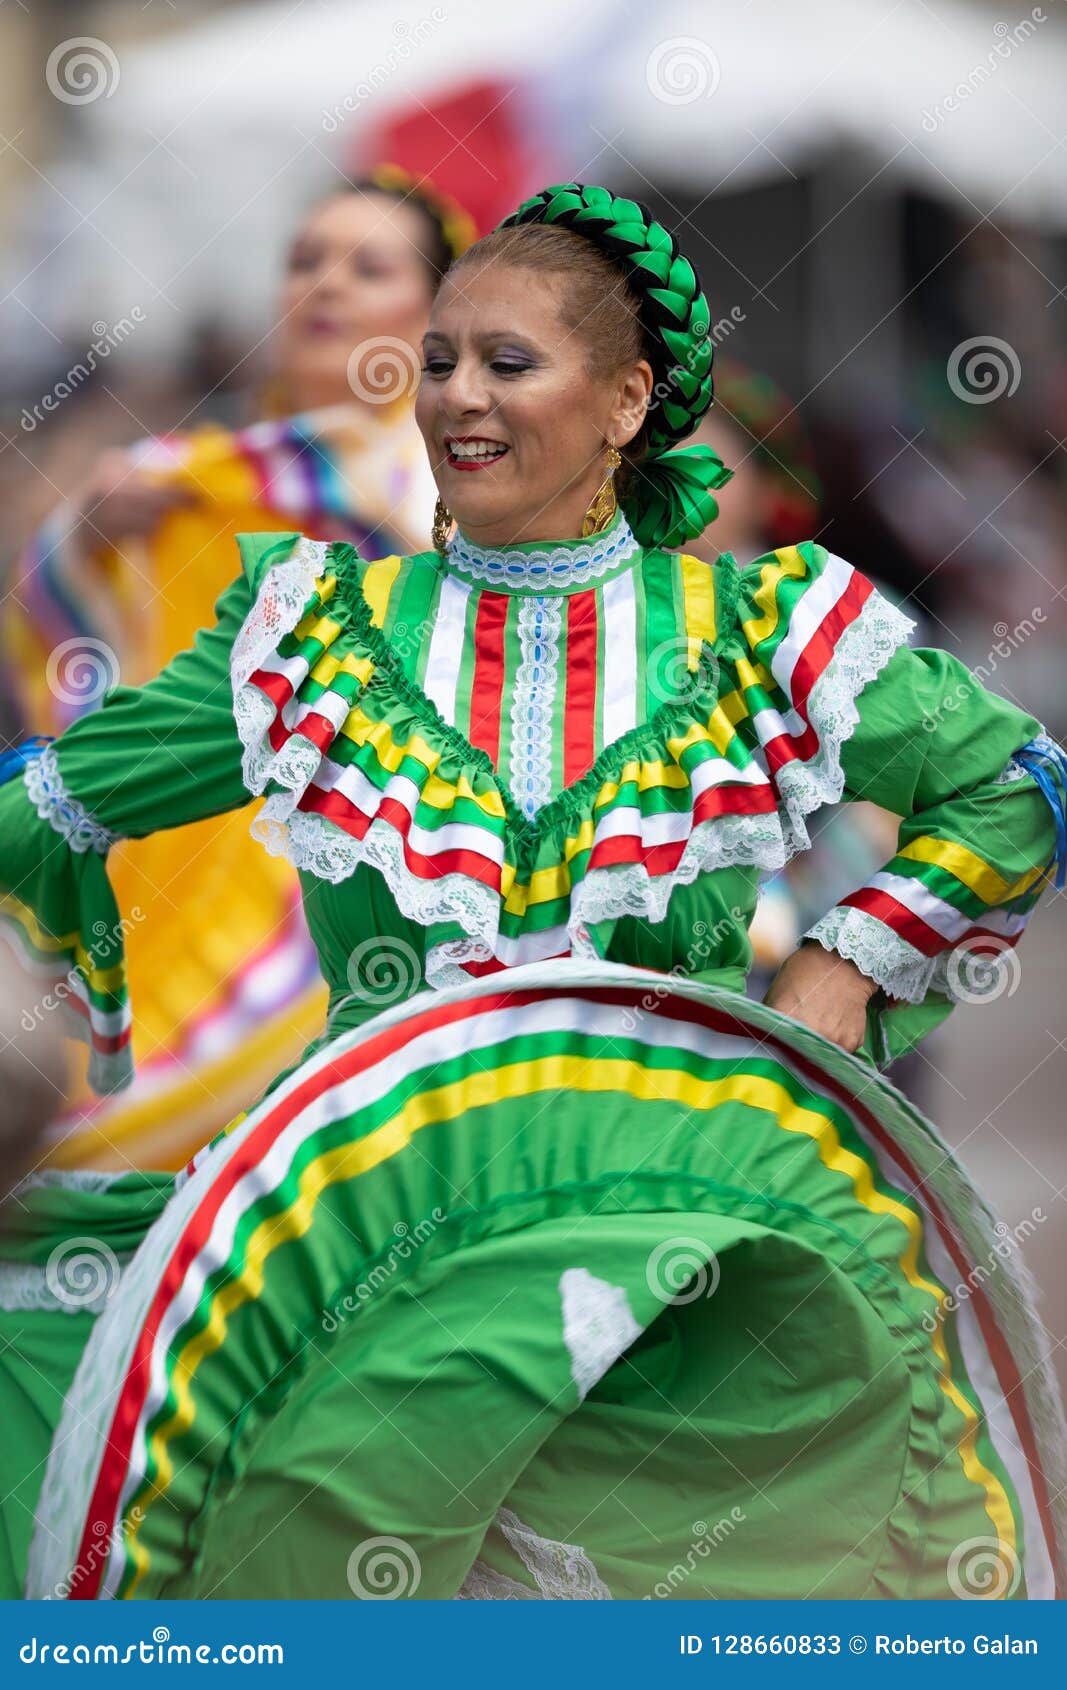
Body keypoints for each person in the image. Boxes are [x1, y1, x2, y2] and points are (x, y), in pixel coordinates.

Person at [0, 182, 1065, 1602]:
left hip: (688, 1215)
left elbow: (1011, 779)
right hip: (369, 1222)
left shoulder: (756, 629)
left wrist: (841, 969)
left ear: (625, 401)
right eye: (437, 361)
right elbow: (51, 801)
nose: (456, 399)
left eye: (508, 363)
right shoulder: (313, 636)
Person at [0, 166, 475, 1172]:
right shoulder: (191, 477)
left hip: (342, 879)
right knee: (70, 1113)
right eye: (304, 262)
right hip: (163, 847)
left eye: (367, 265)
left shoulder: (465, 481)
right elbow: (70, 648)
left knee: (170, 1133)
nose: (325, 285)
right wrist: (86, 535)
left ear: (435, 314)